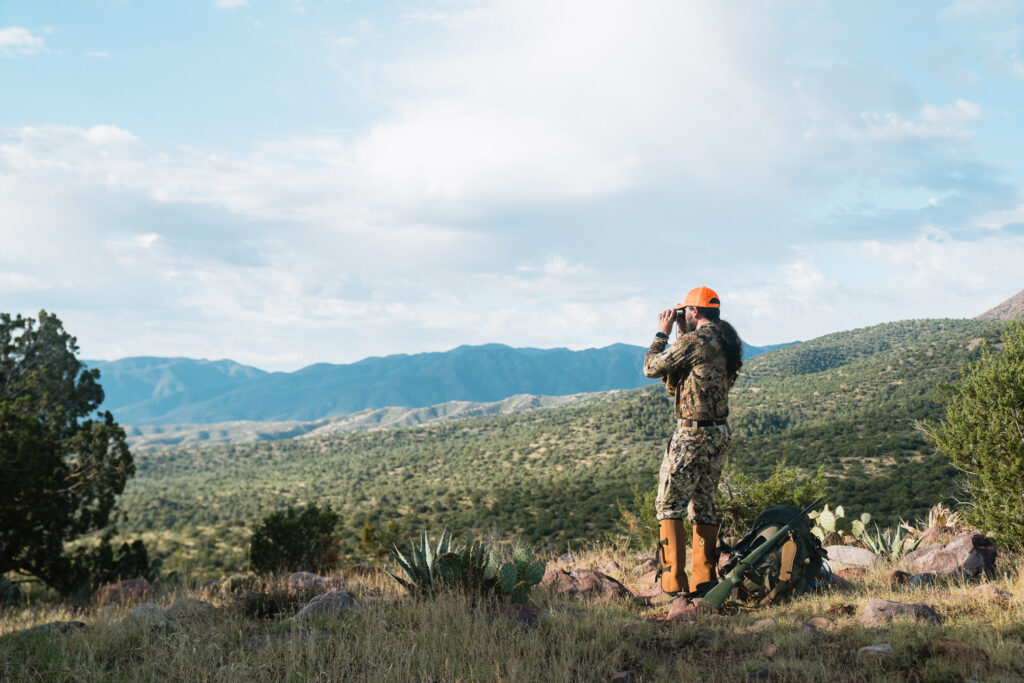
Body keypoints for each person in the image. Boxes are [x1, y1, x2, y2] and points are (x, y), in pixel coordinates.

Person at [643, 286, 743, 599]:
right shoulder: (727, 341)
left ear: (694, 312)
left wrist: (663, 332)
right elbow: (680, 385)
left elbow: (651, 367)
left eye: (685, 310)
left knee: (669, 504)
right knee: (704, 505)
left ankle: (673, 585)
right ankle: (704, 582)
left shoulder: (697, 340)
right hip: (719, 433)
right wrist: (681, 334)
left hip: (692, 435)